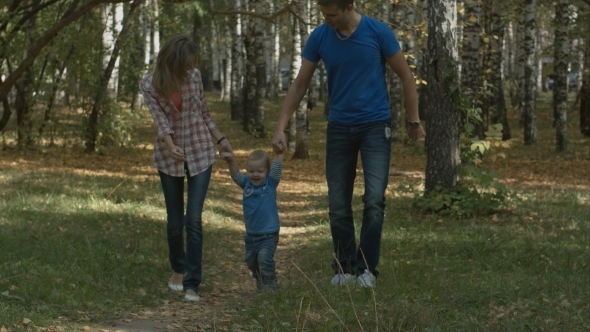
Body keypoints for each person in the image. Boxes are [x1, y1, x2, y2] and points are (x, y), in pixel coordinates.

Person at [271, 0, 425, 288]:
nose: (326, 19)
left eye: (331, 14)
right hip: (339, 127)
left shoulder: (378, 32)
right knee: (338, 202)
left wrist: (414, 120)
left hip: (375, 126)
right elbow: (300, 84)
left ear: (348, 7)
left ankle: (366, 269)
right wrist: (281, 126)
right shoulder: (320, 36)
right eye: (323, 14)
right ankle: (343, 268)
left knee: (374, 199)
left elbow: (406, 76)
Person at [139, 34, 233, 302]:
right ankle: (178, 268)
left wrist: (221, 140)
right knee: (174, 222)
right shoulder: (149, 84)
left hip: (201, 149)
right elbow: (160, 121)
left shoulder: (195, 77)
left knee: (193, 218)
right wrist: (170, 146)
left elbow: (204, 112)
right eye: (186, 65)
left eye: (193, 65)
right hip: (170, 155)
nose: (190, 70)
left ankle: (193, 283)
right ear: (173, 63)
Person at [222, 149, 283, 291]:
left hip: (268, 234)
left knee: (264, 260)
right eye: (251, 171)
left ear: (267, 172)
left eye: (260, 171)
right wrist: (231, 161)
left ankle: (270, 286)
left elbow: (277, 168)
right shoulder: (246, 184)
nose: (255, 175)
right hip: (251, 235)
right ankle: (260, 280)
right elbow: (236, 175)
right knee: (251, 261)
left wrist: (279, 154)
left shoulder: (270, 183)